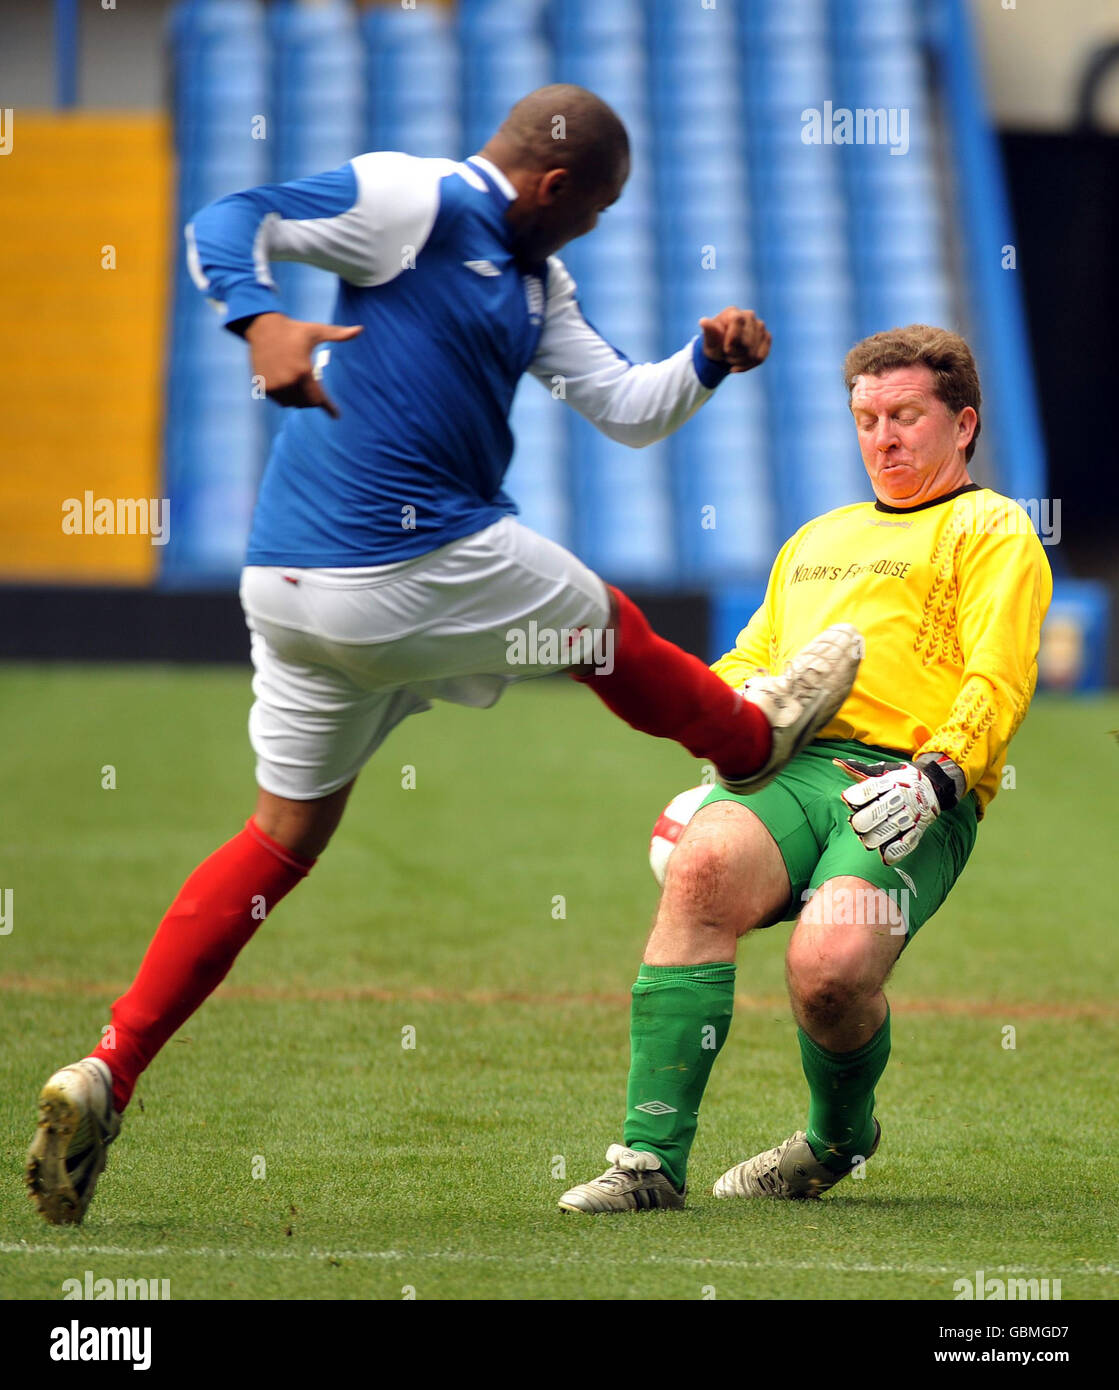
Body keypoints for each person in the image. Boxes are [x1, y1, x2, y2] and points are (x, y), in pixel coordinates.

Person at [26, 85, 862, 1225]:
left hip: (292, 587)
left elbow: (622, 404)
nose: (598, 230)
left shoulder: (536, 282)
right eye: (597, 209)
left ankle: (106, 1070)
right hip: (399, 556)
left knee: (280, 838)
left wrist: (706, 360)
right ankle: (757, 739)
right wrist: (257, 318)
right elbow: (229, 217)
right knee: (601, 625)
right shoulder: (409, 197)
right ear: (554, 187)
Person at [559, 324, 1052, 1213]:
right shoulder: (816, 539)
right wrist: (730, 730)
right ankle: (647, 1163)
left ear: (963, 423)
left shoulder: (993, 529)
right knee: (702, 871)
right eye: (866, 418)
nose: (883, 438)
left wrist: (938, 777)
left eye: (905, 416)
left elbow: (1000, 675)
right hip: (792, 772)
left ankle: (836, 1140)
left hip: (906, 789)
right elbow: (748, 663)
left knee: (828, 973)